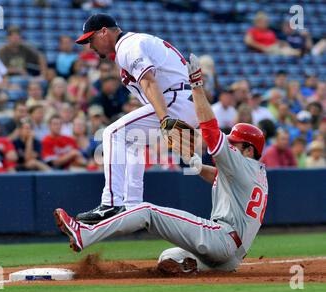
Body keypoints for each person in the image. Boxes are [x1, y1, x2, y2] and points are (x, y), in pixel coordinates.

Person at [54, 53, 268, 274]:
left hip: (221, 237)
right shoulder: (257, 173)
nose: (231, 145)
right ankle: (194, 268)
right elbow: (219, 177)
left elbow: (211, 131)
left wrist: (196, 86)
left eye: (235, 143)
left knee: (146, 211)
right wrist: (197, 166)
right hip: (231, 258)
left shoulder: (241, 162)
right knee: (169, 257)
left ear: (249, 150)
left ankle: (84, 233)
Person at [73, 13, 200, 223]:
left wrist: (165, 120)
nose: (90, 46)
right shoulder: (129, 46)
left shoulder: (128, 46)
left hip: (174, 99)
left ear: (104, 32)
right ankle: (132, 206)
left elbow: (149, 82)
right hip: (182, 98)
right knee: (132, 143)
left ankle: (111, 203)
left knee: (113, 133)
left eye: (91, 38)